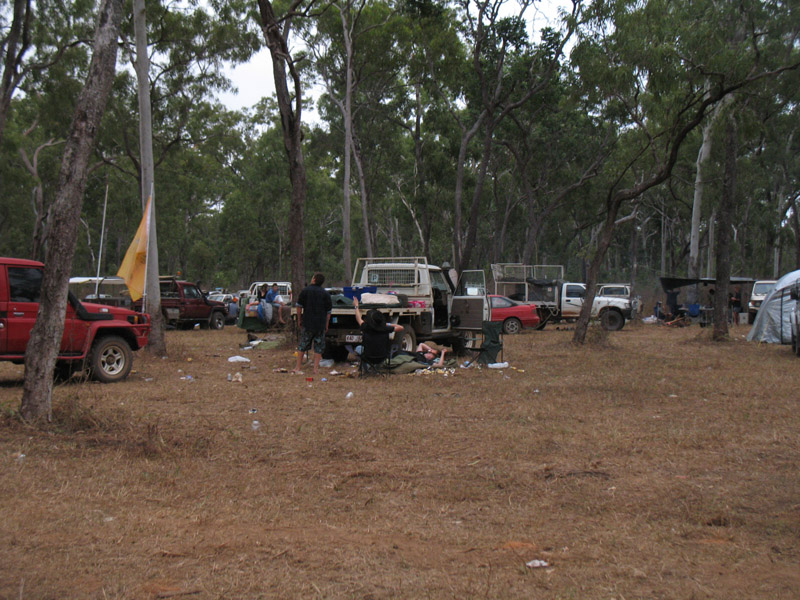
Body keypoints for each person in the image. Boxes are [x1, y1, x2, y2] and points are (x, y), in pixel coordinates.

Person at [294, 273, 332, 374]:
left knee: (302, 345)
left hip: (307, 323)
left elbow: (299, 307)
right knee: (318, 347)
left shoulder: (305, 291)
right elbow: (328, 312)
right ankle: (315, 369)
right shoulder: (325, 293)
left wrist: (299, 319)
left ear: (314, 279)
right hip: (320, 324)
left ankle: (298, 367)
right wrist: (326, 324)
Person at [353, 297, 403, 364]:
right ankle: (378, 367)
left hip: (368, 356)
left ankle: (367, 368)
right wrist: (386, 324)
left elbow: (358, 318)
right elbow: (401, 327)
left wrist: (356, 306)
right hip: (383, 356)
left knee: (358, 348)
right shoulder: (385, 328)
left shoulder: (366, 327)